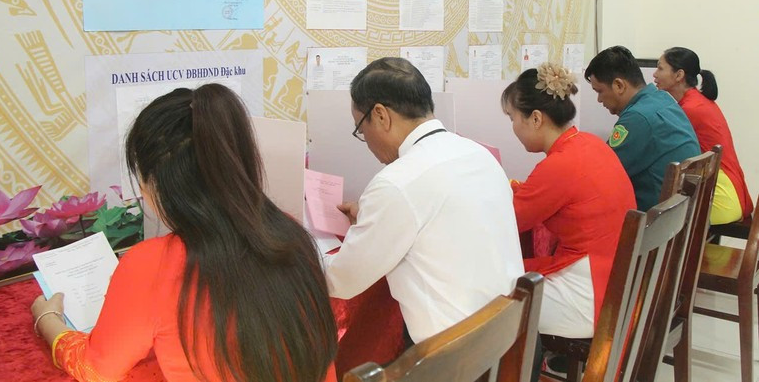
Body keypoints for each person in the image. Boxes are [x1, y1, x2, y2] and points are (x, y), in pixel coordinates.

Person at [31, 84, 337, 382]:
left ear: (155, 183)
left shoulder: (151, 264)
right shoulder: (289, 232)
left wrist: (47, 319)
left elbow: (99, 369)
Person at [324, 57, 524, 344]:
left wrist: (302, 253)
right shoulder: (479, 154)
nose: (365, 140)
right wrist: (372, 217)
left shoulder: (397, 182)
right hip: (509, 338)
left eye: (360, 129)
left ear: (380, 115)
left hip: (456, 360)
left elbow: (342, 280)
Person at [502, 63, 635, 338]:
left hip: (590, 294)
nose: (513, 127)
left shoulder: (560, 165)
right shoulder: (589, 143)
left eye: (512, 117)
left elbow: (506, 221)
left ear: (536, 118)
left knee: (488, 295)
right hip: (618, 280)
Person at [585, 46, 699, 211]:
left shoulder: (638, 118)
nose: (599, 99)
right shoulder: (662, 99)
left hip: (653, 225)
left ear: (619, 85)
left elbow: (600, 175)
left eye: (600, 91)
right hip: (679, 218)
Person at [654, 47, 753, 223]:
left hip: (721, 197)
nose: (654, 74)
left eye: (660, 68)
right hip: (731, 193)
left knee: (658, 219)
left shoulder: (689, 109)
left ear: (679, 75)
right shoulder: (697, 102)